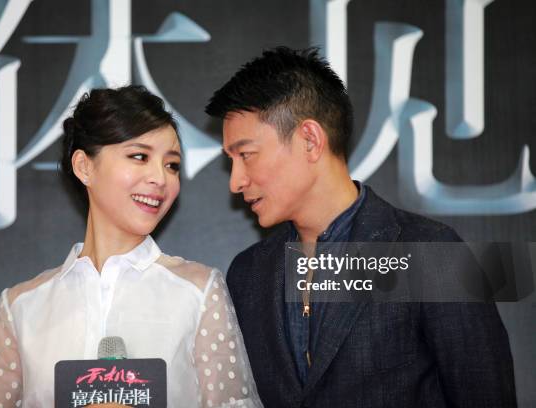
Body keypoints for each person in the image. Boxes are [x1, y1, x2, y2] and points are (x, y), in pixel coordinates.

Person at [205, 47, 517, 407]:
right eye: (231, 161)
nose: (236, 181)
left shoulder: (431, 252)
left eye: (245, 155)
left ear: (310, 140)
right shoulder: (249, 274)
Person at [0, 86, 262, 408]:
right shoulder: (21, 307)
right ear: (84, 167)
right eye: (139, 156)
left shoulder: (199, 291)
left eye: (171, 165)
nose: (160, 178)